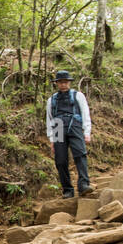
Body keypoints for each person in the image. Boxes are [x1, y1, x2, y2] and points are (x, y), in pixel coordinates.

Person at [46, 69, 92, 198]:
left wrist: (87, 131)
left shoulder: (78, 96)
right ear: (56, 83)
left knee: (80, 154)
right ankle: (67, 189)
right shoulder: (51, 100)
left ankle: (83, 185)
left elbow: (85, 113)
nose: (63, 84)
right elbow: (49, 118)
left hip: (75, 124)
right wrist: (51, 138)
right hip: (57, 127)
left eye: (65, 82)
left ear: (69, 82)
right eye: (60, 82)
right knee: (60, 160)